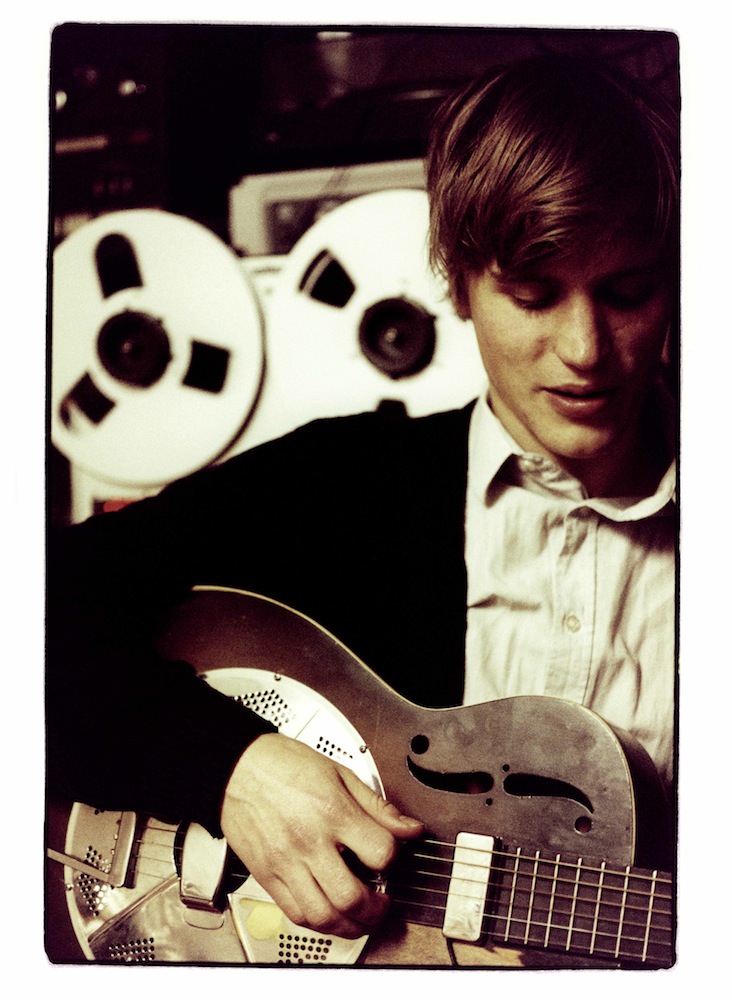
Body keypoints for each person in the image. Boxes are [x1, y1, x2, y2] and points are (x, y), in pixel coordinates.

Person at [47, 53, 679, 955]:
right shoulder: (342, 486)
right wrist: (232, 770)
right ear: (457, 283)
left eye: (627, 291)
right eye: (532, 295)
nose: (584, 348)